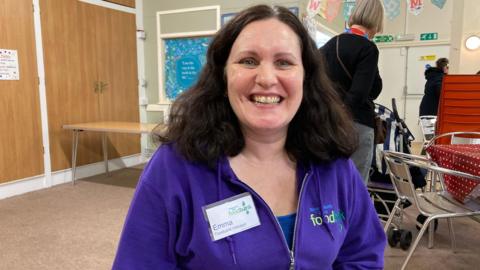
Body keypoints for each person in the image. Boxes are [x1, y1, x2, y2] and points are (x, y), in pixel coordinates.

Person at [112, 5, 385, 269]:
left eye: (284, 62)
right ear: (223, 75)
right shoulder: (175, 168)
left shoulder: (334, 164)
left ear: (305, 78)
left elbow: (362, 255)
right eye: (248, 61)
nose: (266, 78)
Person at [320, 0, 384, 184]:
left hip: (326, 123)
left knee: (329, 182)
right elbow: (360, 93)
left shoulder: (329, 45)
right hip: (356, 125)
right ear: (377, 21)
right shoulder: (367, 48)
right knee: (355, 186)